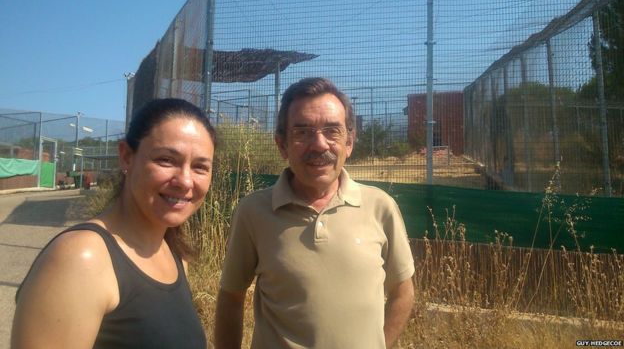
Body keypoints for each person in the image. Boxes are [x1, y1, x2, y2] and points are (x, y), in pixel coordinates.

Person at [214, 77, 415, 349]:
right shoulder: (253, 212)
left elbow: (403, 291)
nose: (319, 145)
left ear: (349, 142)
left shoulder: (381, 207)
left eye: (332, 131)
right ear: (282, 144)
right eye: (302, 132)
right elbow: (231, 298)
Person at [12, 98, 216, 349]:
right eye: (166, 160)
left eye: (200, 167)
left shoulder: (174, 254)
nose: (185, 181)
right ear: (126, 157)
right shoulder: (81, 259)